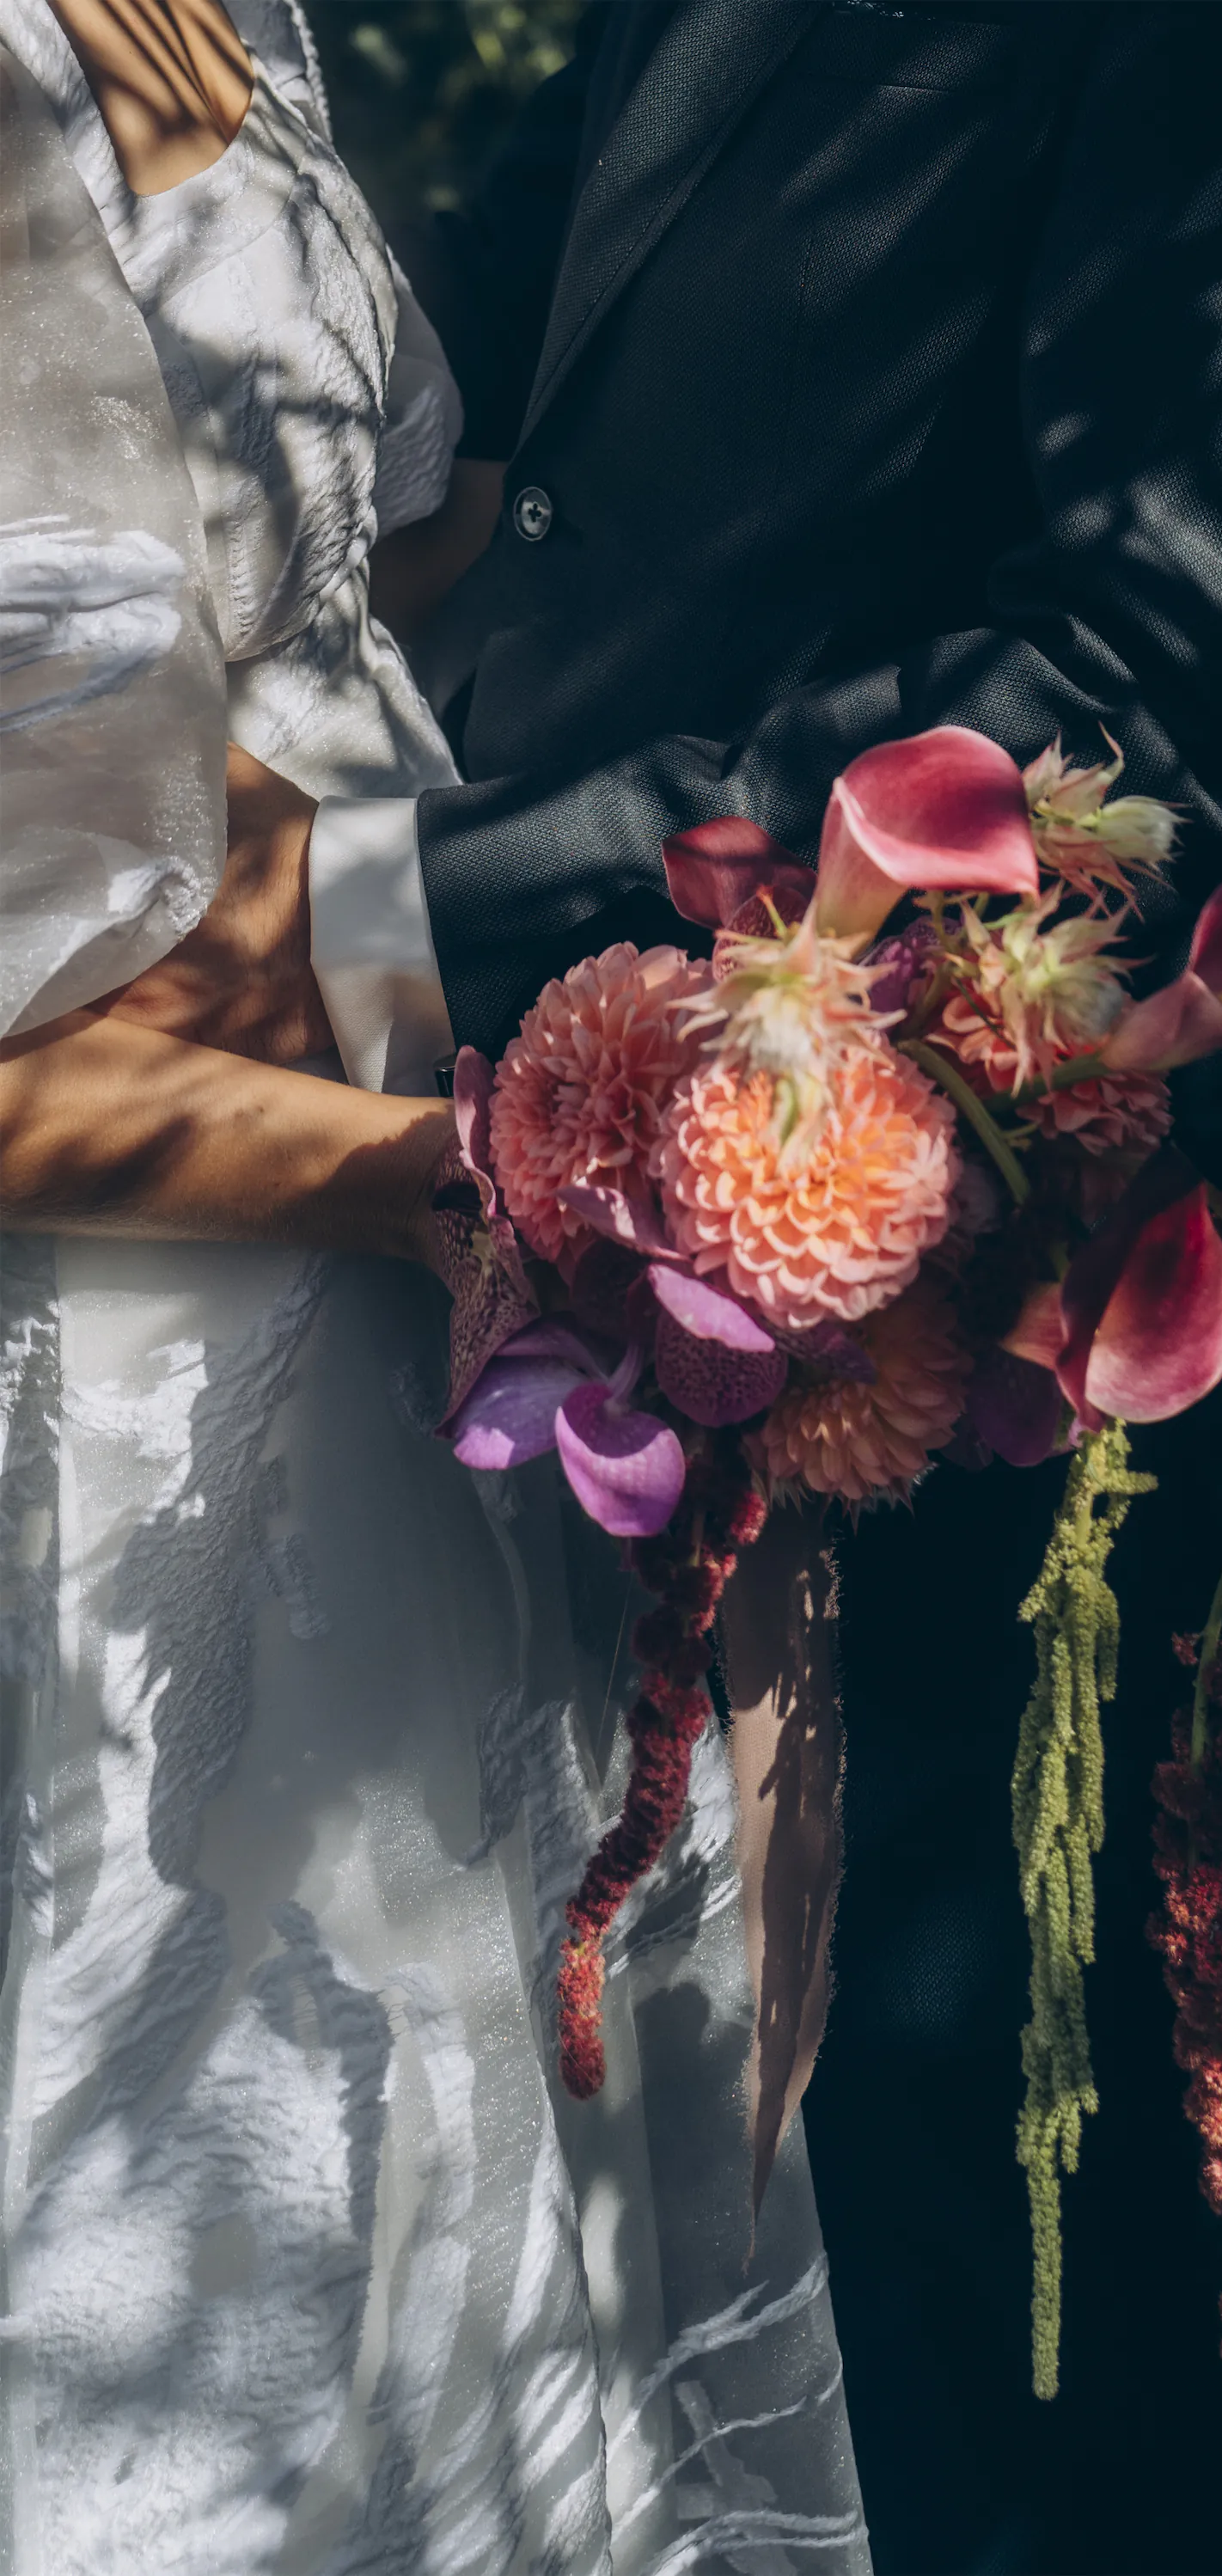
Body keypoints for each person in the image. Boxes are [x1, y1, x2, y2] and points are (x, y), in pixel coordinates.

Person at [0, 5, 865, 2570]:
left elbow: (325, 591)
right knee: (212, 2266)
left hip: (410, 1326)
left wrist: (815, 894)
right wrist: (444, 1159)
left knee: (513, 2228)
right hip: (138, 1373)